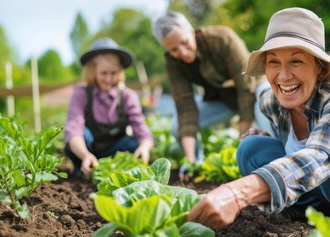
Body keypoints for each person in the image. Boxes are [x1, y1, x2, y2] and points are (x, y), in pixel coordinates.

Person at [186, 7, 330, 237]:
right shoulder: (271, 102)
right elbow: (292, 152)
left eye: (296, 61)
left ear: (319, 66)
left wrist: (239, 192)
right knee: (250, 148)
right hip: (329, 188)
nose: (283, 76)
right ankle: (309, 212)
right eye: (274, 62)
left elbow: (324, 155)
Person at [152, 11, 273, 177]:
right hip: (223, 99)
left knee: (267, 105)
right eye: (174, 50)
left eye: (185, 43)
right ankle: (197, 164)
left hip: (253, 91)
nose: (183, 52)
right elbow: (185, 105)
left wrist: (241, 141)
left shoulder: (222, 38)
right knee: (176, 126)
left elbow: (246, 86)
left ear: (191, 31)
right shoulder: (172, 62)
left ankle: (280, 160)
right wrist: (190, 159)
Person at [64, 38, 154, 177]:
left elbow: (141, 128)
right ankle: (82, 169)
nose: (108, 79)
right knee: (78, 139)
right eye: (104, 73)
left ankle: (116, 172)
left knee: (133, 144)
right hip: (88, 149)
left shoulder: (127, 96)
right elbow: (73, 128)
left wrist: (144, 147)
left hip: (114, 150)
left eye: (113, 73)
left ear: (119, 71)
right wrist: (85, 155)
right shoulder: (81, 93)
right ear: (93, 71)